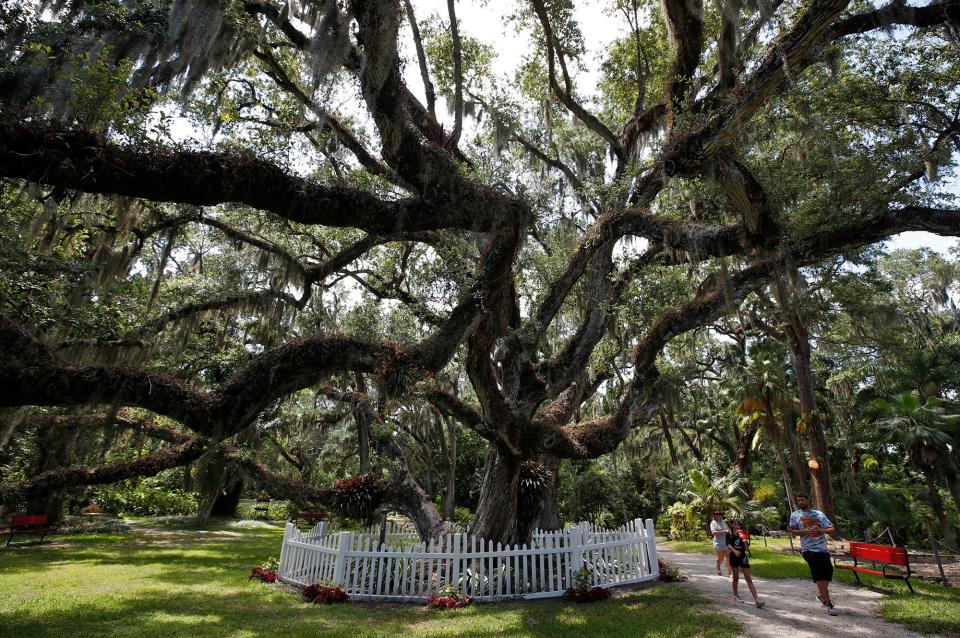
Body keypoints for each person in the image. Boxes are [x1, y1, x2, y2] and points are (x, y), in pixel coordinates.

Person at [789, 493, 838, 615]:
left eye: (802, 500)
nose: (800, 502)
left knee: (827, 574)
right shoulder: (795, 515)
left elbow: (832, 529)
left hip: (823, 549)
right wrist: (805, 531)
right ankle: (829, 604)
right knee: (819, 576)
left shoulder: (819, 514)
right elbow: (792, 530)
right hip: (808, 550)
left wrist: (821, 530)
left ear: (808, 500)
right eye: (798, 500)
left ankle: (820, 595)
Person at [727, 519, 764, 607]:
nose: (737, 526)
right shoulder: (729, 534)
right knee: (736, 577)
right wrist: (735, 551)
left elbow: (747, 549)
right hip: (734, 557)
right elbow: (728, 545)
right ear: (732, 525)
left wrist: (744, 539)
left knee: (748, 578)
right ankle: (735, 595)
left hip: (743, 557)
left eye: (739, 524)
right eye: (735, 524)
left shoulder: (742, 534)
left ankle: (757, 599)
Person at [709, 510, 731, 576]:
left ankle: (729, 573)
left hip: (726, 543)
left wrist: (730, 532)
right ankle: (718, 567)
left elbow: (729, 530)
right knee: (721, 559)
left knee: (728, 558)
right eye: (716, 514)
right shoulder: (713, 523)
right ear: (714, 515)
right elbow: (713, 533)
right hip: (718, 543)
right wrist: (724, 531)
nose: (718, 515)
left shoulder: (724, 522)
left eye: (719, 514)